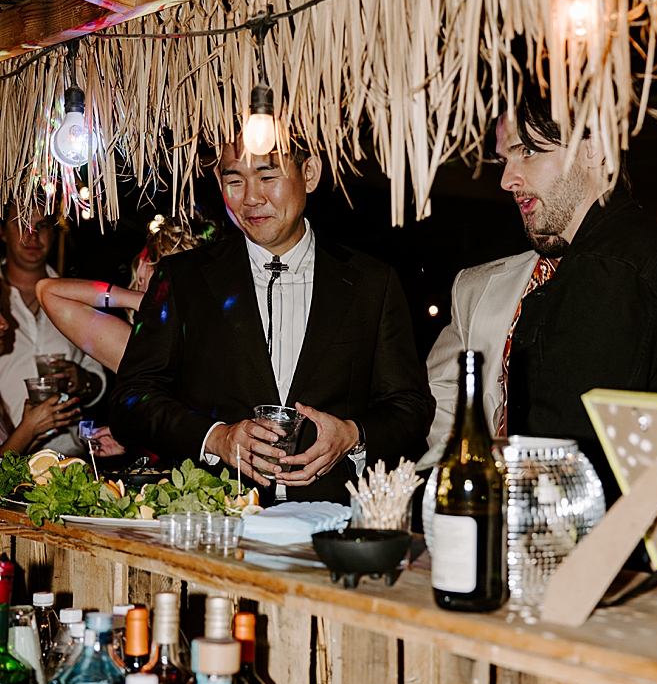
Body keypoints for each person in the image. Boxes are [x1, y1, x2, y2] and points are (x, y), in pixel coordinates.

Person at [111, 138, 433, 502]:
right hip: (214, 513)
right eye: (235, 181)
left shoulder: (371, 282)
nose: (251, 198)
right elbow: (130, 399)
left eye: (267, 177)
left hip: (331, 517)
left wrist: (352, 434)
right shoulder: (184, 278)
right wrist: (215, 437)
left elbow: (409, 406)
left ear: (308, 174)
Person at [424, 76, 657, 496]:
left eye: (529, 151)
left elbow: (559, 463)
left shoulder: (604, 266)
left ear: (593, 148)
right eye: (505, 160)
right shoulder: (635, 249)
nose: (507, 180)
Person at [37, 217, 215, 374]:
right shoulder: (220, 341)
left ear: (143, 268)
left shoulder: (139, 349)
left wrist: (142, 301)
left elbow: (47, 290)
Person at [0, 208, 107, 457]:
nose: (33, 235)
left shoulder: (75, 297)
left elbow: (99, 376)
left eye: (43, 226)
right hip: (8, 457)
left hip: (69, 457)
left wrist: (83, 381)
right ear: (3, 232)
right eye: (22, 224)